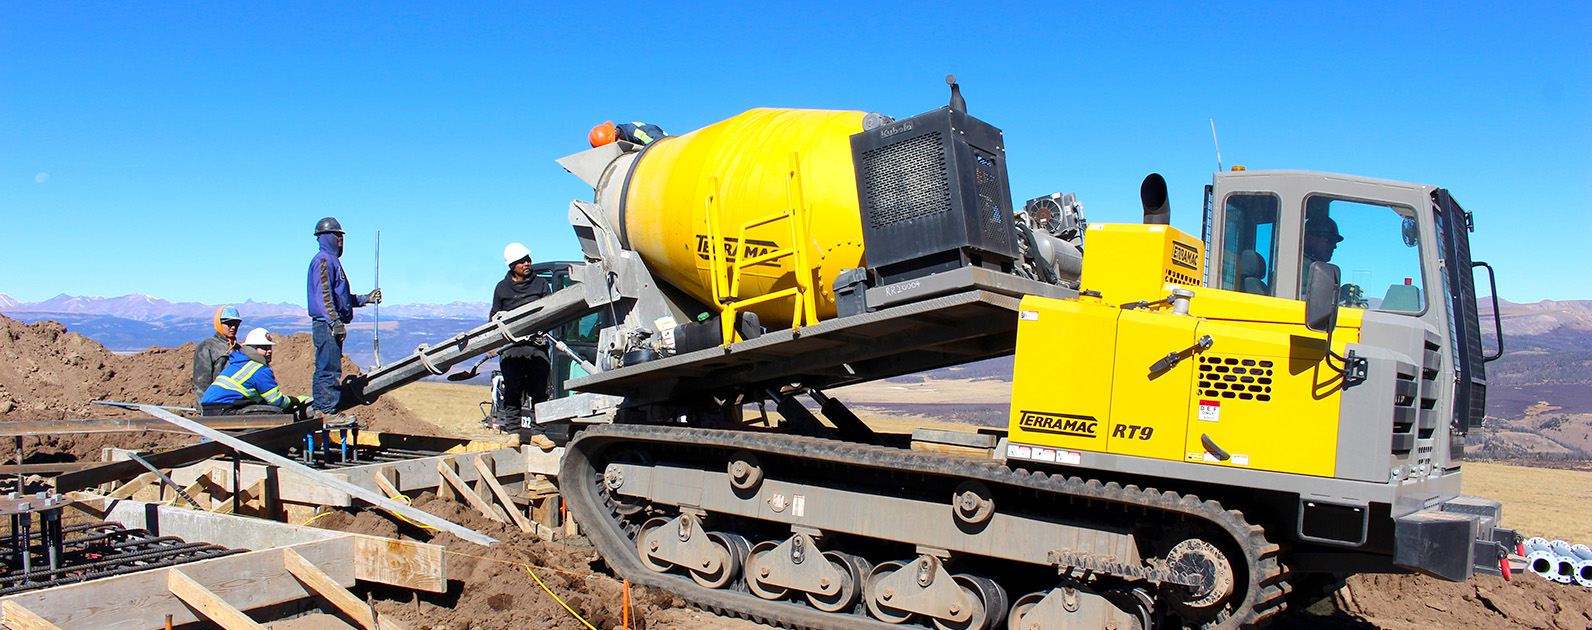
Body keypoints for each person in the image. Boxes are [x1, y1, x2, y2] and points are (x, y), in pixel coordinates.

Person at [306, 217, 380, 424]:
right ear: (326, 237)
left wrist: (366, 298)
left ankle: (321, 409)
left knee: (327, 365)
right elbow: (324, 295)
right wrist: (334, 321)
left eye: (341, 236)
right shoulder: (323, 260)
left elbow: (341, 297)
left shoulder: (332, 261)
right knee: (328, 367)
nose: (340, 239)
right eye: (337, 235)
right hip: (326, 323)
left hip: (328, 322)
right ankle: (328, 411)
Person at [490, 242, 556, 450]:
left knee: (539, 391)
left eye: (528, 259)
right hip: (512, 348)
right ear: (512, 266)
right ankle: (513, 434)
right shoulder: (502, 288)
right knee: (513, 391)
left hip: (537, 346)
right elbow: (494, 316)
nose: (527, 263)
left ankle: (539, 433)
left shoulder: (541, 285)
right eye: (522, 261)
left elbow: (551, 309)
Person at [200, 328, 309, 416]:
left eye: (269, 347)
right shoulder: (260, 370)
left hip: (210, 409)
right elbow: (275, 401)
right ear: (252, 349)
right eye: (264, 348)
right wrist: (294, 401)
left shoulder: (237, 363)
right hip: (225, 409)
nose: (269, 351)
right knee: (276, 415)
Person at [192, 305, 242, 408]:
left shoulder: (239, 349)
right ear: (219, 323)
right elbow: (201, 382)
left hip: (236, 404)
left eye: (236, 324)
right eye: (229, 323)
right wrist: (205, 409)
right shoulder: (207, 347)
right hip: (216, 405)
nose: (233, 327)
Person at [1299, 216, 1344, 299]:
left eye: (1335, 242)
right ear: (1308, 237)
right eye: (1329, 240)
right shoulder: (1298, 267)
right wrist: (1335, 296)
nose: (1334, 246)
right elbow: (1300, 301)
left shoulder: (1313, 266)